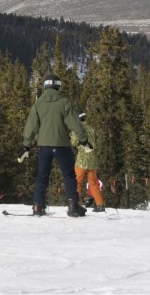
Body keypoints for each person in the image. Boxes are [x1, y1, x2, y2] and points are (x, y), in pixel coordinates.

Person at [20, 73, 91, 218]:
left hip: (44, 146)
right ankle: (73, 206)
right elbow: (75, 124)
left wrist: (26, 146)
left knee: (42, 177)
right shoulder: (64, 102)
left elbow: (30, 126)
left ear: (45, 86)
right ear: (58, 86)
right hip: (62, 145)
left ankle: (38, 206)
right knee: (69, 176)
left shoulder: (39, 103)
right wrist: (84, 141)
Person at [72, 110, 105, 212]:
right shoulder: (92, 129)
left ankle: (76, 203)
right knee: (93, 182)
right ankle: (100, 204)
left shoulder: (77, 129)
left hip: (82, 160)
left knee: (77, 182)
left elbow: (73, 142)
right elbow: (98, 142)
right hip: (92, 161)